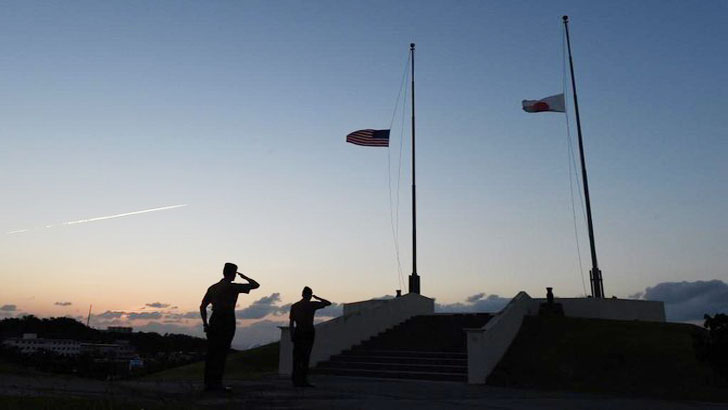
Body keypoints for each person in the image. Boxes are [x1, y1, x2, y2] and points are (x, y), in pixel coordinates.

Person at [200, 262, 259, 391]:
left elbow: (202, 306)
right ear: (233, 273)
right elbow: (256, 285)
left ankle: (208, 383)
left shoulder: (213, 287)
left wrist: (205, 323)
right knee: (221, 352)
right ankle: (216, 384)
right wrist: (245, 277)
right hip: (226, 319)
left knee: (212, 352)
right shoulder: (232, 287)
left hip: (214, 319)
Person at [289, 286, 331, 387]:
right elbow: (328, 303)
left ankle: (295, 379)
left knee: (297, 357)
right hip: (308, 331)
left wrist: (292, 334)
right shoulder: (312, 305)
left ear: (302, 294)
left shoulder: (295, 306)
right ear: (310, 295)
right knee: (305, 357)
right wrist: (318, 298)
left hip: (298, 332)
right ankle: (303, 380)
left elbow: (291, 322)